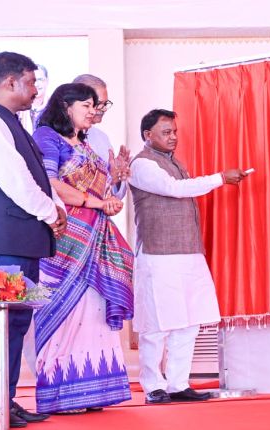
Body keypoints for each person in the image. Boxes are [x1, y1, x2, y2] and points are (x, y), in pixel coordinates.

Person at [0, 51, 64, 428]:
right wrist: (50, 213)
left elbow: (36, 177)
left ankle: (3, 402)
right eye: (32, 82)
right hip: (0, 245)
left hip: (18, 243)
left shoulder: (12, 122)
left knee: (14, 324)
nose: (36, 90)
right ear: (10, 82)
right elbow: (15, 181)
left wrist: (54, 208)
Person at [128, 109, 247, 404]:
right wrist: (220, 178)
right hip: (158, 255)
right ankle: (153, 386)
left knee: (189, 321)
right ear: (148, 135)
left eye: (175, 132)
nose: (173, 137)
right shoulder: (142, 164)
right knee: (157, 325)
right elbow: (174, 189)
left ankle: (178, 384)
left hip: (189, 252)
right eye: (166, 132)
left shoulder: (173, 161)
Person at [31, 83, 134, 414]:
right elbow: (49, 185)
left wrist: (116, 180)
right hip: (64, 240)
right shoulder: (47, 137)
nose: (94, 112)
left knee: (93, 311)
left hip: (95, 237)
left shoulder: (87, 143)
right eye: (87, 105)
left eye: (96, 106)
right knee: (65, 312)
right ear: (66, 106)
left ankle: (94, 391)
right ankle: (61, 394)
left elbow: (104, 193)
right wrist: (96, 202)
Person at [72, 74, 130, 199]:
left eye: (105, 103)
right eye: (99, 103)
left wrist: (116, 177)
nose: (104, 109)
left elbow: (115, 196)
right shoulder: (57, 137)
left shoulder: (102, 138)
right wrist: (108, 179)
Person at [18, 64, 49, 133]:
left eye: (40, 80)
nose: (37, 84)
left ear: (47, 81)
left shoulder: (55, 107)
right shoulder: (19, 109)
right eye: (33, 81)